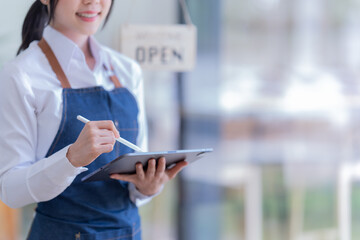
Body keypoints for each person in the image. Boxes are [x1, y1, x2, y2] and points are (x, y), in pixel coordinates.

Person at [0, 0, 188, 239]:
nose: (93, 2)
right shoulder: (21, 75)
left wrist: (147, 187)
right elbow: (10, 190)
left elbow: (134, 185)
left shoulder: (127, 70)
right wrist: (71, 158)